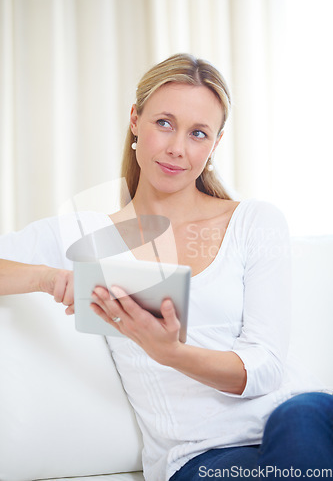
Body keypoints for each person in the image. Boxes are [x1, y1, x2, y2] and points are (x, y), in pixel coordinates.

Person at [0, 53, 332, 480]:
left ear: (215, 143)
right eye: (164, 123)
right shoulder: (81, 234)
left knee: (301, 417)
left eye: (198, 133)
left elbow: (265, 368)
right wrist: (49, 277)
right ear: (135, 120)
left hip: (300, 427)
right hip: (203, 456)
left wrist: (171, 353)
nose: (178, 147)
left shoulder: (253, 221)